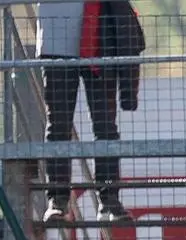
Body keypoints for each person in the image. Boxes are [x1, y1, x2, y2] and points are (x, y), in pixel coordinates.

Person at [36, 0, 145, 222]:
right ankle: (58, 200)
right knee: (58, 125)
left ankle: (109, 201)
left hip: (99, 37)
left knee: (105, 126)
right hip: (56, 44)